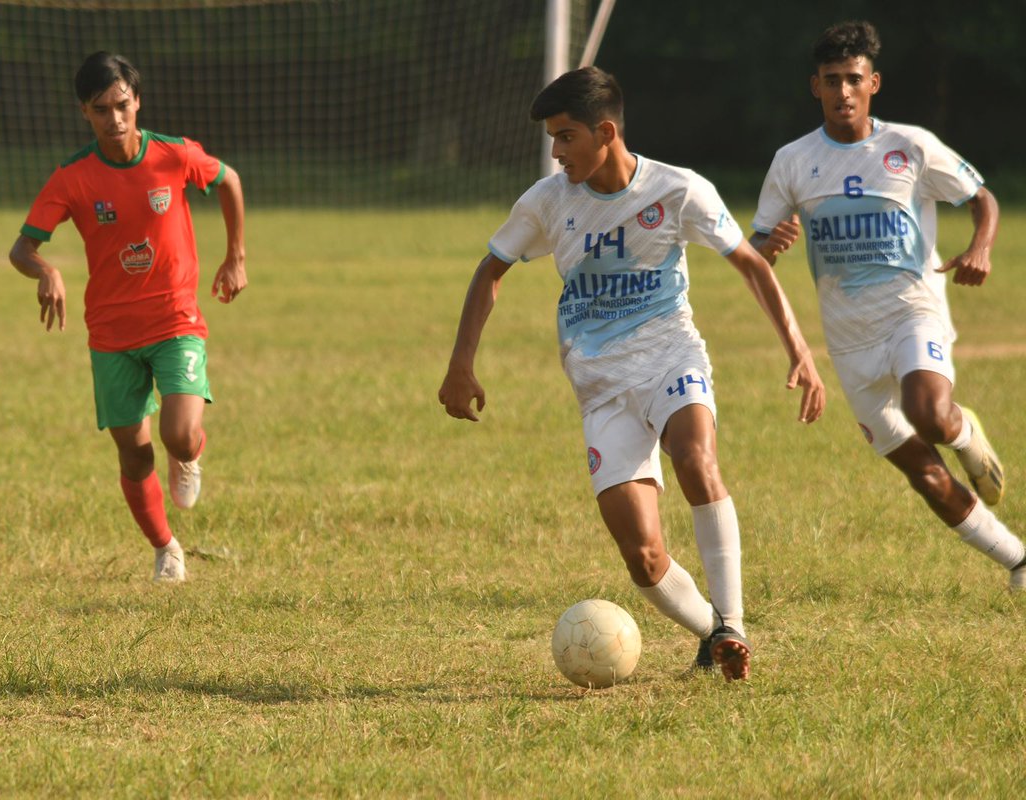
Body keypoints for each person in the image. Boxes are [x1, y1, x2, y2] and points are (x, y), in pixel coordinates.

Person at [439, 66, 825, 681]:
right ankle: (714, 635)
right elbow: (491, 269)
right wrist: (461, 364)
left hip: (672, 354)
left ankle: (736, 621)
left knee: (696, 458)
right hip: (599, 385)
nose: (556, 152)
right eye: (553, 140)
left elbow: (751, 263)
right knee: (643, 558)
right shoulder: (547, 201)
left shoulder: (678, 191)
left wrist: (800, 351)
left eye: (566, 137)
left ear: (606, 132)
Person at [750, 21, 1026, 591]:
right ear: (815, 87)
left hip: (911, 311)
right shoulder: (793, 161)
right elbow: (754, 253)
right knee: (922, 474)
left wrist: (980, 247)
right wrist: (767, 247)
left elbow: (981, 198)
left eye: (853, 79)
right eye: (832, 81)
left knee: (928, 412)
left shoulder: (910, 146)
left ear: (873, 83)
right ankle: (1018, 560)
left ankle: (962, 431)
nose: (843, 91)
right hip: (849, 342)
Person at [9, 52, 247, 582]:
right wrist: (45, 270)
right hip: (112, 335)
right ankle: (166, 547)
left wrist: (236, 256)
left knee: (179, 434)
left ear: (137, 101)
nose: (115, 119)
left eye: (122, 105)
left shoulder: (173, 155)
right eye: (101, 110)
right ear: (84, 112)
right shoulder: (72, 177)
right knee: (134, 457)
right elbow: (21, 249)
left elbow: (228, 180)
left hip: (175, 319)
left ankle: (189, 456)